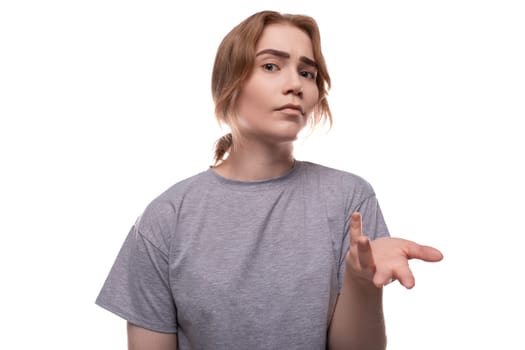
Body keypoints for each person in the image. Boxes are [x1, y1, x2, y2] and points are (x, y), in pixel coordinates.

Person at [95, 10, 443, 350]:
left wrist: (361, 281)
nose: (295, 85)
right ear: (228, 85)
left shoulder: (349, 199)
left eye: (307, 72)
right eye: (271, 66)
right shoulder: (166, 218)